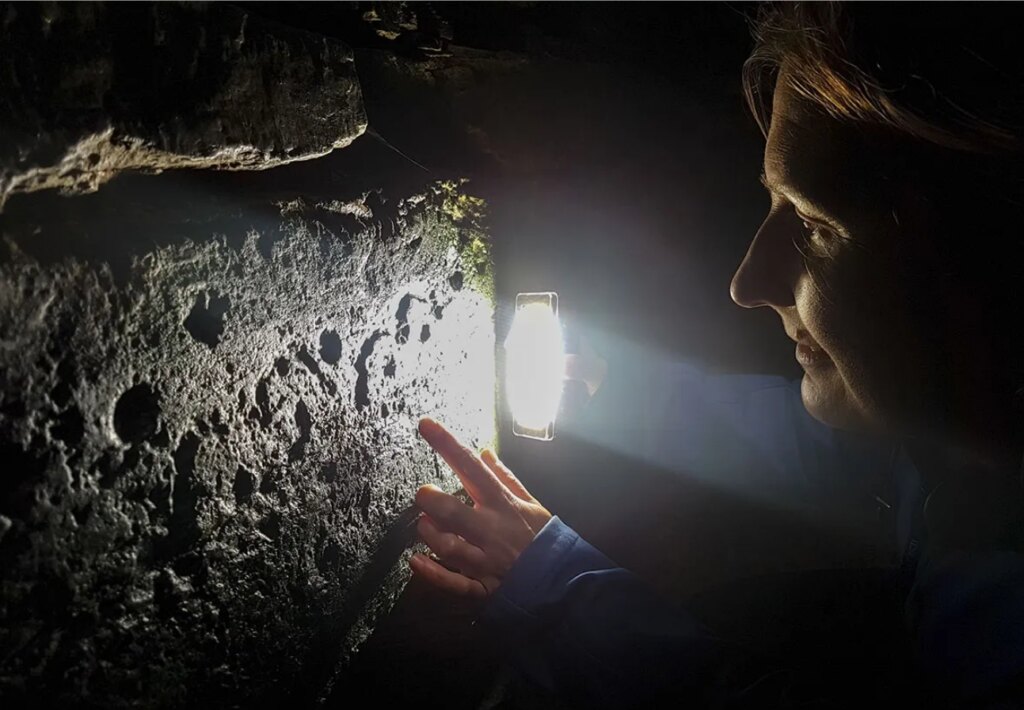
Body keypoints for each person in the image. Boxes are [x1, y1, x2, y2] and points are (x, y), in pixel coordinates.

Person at [410, 4, 1024, 707]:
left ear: (983, 260)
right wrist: (633, 398)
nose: (747, 283)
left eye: (815, 225)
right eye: (773, 206)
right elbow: (847, 454)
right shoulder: (972, 447)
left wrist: (556, 586)